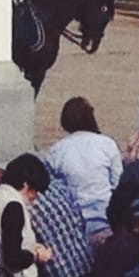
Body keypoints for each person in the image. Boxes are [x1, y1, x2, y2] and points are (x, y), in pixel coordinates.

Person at [45, 96, 122, 238]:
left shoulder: (56, 152)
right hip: (105, 217)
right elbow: (117, 183)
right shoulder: (107, 144)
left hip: (73, 222)